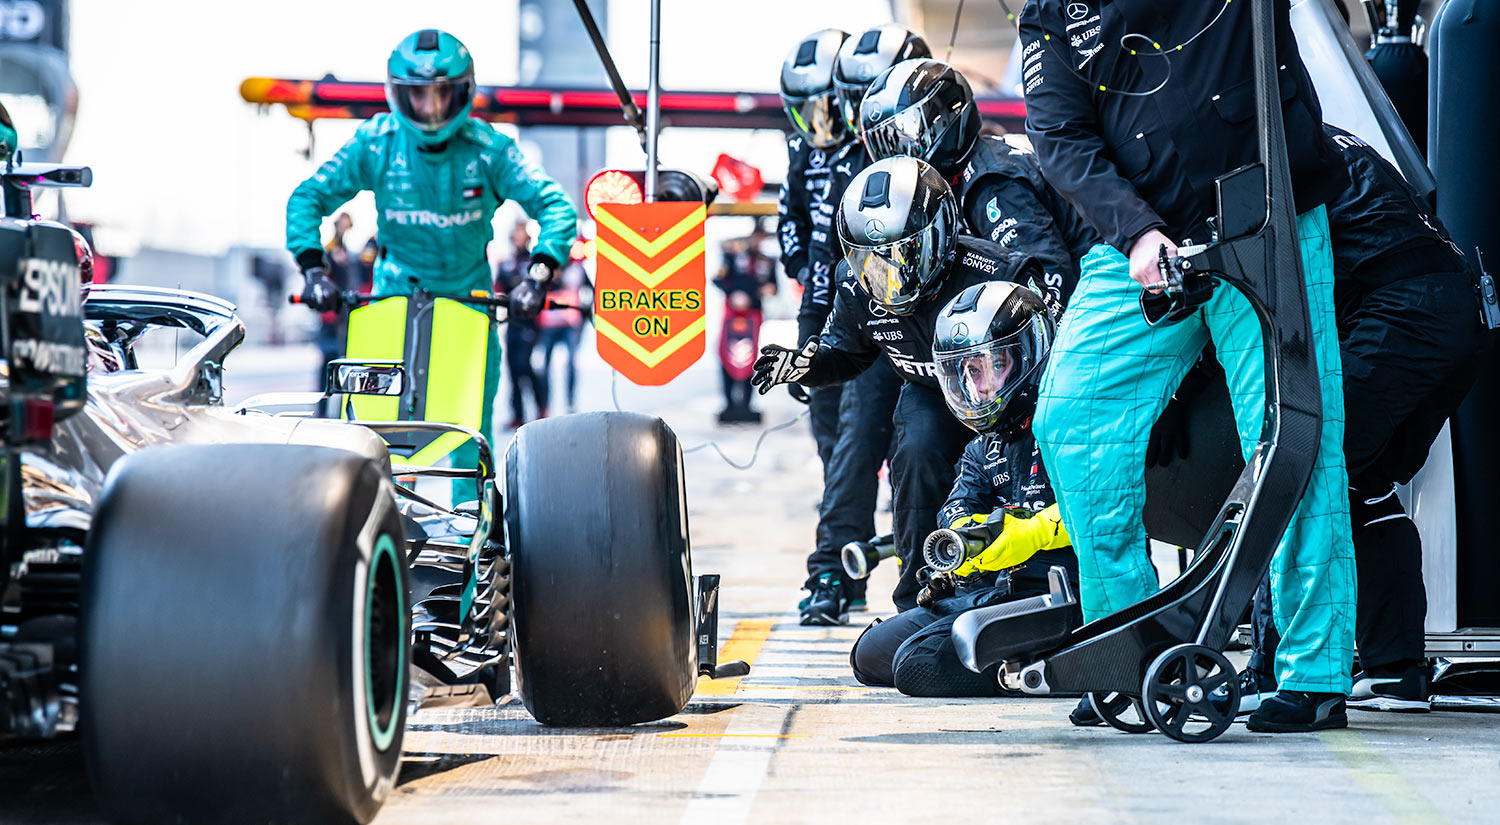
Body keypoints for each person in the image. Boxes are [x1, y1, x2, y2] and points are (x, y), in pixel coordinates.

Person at [1019, 0, 1357, 732]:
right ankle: (1126, 647)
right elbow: (1056, 132)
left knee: (1295, 433)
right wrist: (1136, 233)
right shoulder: (1048, 13)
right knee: (1070, 417)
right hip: (1140, 241)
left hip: (1268, 213)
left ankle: (1314, 672)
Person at [1228, 125, 1484, 714]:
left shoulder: (1258, 150)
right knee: (1362, 487)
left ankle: (1273, 668)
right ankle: (1397, 671)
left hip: (1398, 311)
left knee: (1297, 472)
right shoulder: (1324, 136)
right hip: (1457, 312)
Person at [754, 156, 1052, 613]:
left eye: (900, 256)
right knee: (914, 451)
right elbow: (845, 353)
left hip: (1013, 401)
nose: (886, 277)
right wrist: (804, 367)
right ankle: (920, 598)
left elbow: (1050, 349)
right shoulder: (854, 287)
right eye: (871, 262)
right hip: (932, 395)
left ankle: (1043, 585)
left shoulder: (1000, 271)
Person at [286, 29, 577, 461]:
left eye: (443, 94)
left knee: (468, 435)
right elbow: (307, 198)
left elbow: (556, 206)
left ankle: (473, 524)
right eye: (418, 95)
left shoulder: (490, 150)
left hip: (469, 306)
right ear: (399, 95)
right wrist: (313, 270)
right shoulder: (375, 142)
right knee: (380, 435)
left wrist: (538, 275)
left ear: (463, 93)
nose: (432, 109)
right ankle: (383, 521)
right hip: (391, 304)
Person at [850, 280, 1078, 696]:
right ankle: (1016, 658)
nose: (983, 384)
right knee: (869, 655)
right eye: (972, 371)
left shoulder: (1072, 424)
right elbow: (956, 505)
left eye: (995, 365)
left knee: (918, 665)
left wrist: (1035, 529)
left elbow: (1102, 501)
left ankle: (1057, 669)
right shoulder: (981, 448)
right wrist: (966, 539)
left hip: (1061, 595)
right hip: (993, 591)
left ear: (1031, 352)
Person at [798, 24, 928, 624]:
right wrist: (810, 334)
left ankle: (925, 579)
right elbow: (819, 254)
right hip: (864, 323)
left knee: (913, 452)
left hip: (941, 328)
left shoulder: (937, 144)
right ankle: (834, 571)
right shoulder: (820, 155)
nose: (854, 114)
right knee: (846, 450)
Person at [857, 57, 1099, 318]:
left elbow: (1048, 279)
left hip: (1093, 303)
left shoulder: (991, 184)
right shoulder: (972, 167)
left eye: (904, 140)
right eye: (884, 146)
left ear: (946, 117)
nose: (897, 157)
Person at [778, 29, 852, 481]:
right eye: (804, 112)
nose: (816, 122)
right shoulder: (799, 154)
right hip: (821, 302)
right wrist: (805, 267)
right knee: (826, 412)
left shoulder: (871, 142)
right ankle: (836, 494)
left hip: (880, 302)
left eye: (823, 109)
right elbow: (789, 220)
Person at [713, 223, 779, 422]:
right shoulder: (732, 255)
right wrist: (734, 293)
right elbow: (718, 279)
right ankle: (728, 404)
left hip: (754, 317)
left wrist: (767, 290)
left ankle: (748, 405)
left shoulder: (767, 261)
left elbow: (774, 288)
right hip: (732, 315)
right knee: (727, 355)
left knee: (750, 358)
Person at [496, 220, 546, 426]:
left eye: (522, 232)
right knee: (513, 369)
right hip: (512, 323)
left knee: (523, 365)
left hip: (530, 323)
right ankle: (517, 414)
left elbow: (543, 287)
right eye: (516, 232)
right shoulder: (506, 263)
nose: (518, 236)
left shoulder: (534, 264)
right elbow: (498, 289)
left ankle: (541, 406)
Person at [535, 244, 592, 415]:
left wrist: (584, 316)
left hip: (570, 323)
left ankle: (570, 402)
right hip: (549, 324)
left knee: (571, 363)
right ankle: (545, 405)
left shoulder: (577, 270)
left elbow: (591, 292)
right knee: (542, 365)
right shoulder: (546, 268)